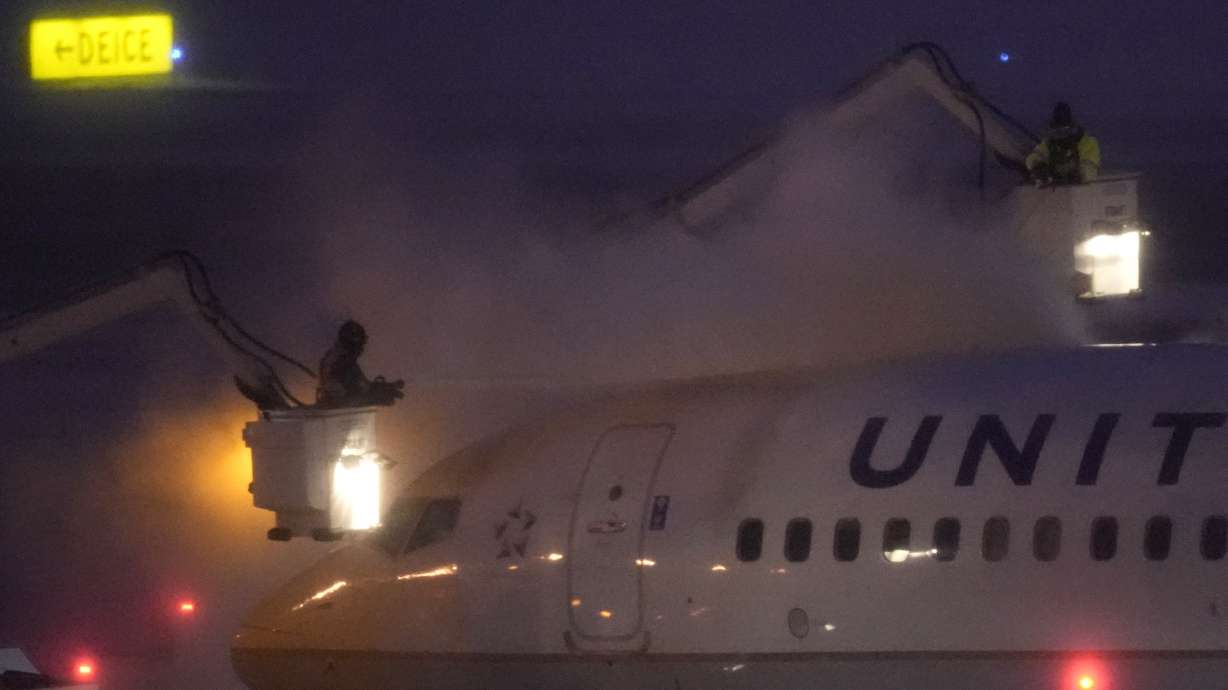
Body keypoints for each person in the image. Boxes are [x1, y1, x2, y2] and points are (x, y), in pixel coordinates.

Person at [316, 320, 404, 407]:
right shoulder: (342, 362)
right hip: (338, 409)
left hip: (333, 404)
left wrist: (388, 386)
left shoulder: (337, 357)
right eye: (361, 344)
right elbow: (351, 395)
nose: (362, 348)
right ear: (353, 344)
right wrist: (378, 397)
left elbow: (363, 386)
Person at [1026, 102, 1101, 185]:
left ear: (1072, 127)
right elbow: (1033, 157)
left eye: (1064, 130)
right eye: (1057, 131)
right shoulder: (1049, 144)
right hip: (1050, 193)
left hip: (1081, 192)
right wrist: (1038, 166)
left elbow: (1091, 167)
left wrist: (1078, 174)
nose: (1061, 136)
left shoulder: (1087, 142)